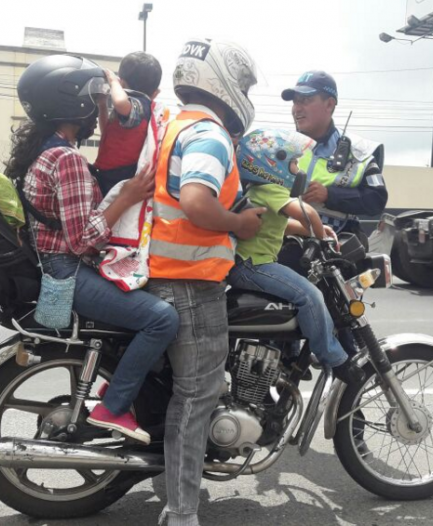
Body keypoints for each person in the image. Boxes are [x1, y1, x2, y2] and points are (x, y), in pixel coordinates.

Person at [7, 54, 179, 445]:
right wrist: (129, 195)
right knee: (162, 320)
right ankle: (113, 406)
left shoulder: (45, 151)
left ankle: (123, 387)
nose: (97, 111)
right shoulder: (66, 159)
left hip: (59, 267)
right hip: (67, 273)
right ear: (73, 105)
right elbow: (82, 239)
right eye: (91, 99)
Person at [146, 38, 264, 526]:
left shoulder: (174, 124)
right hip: (191, 282)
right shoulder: (210, 135)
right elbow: (196, 201)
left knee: (188, 393)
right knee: (197, 398)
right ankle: (181, 514)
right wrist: (240, 225)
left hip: (166, 275)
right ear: (224, 79)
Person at [231, 129, 366, 386]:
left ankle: (290, 357)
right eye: (293, 163)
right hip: (253, 265)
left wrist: (314, 231)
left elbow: (283, 224)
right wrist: (320, 235)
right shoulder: (270, 187)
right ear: (271, 165)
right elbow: (305, 213)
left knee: (292, 298)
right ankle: (335, 358)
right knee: (309, 295)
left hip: (252, 263)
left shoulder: (262, 190)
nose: (296, 169)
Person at [281, 71, 388, 243]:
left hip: (334, 249)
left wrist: (329, 195)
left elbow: (376, 200)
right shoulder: (281, 146)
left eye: (306, 100)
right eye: (295, 101)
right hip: (281, 243)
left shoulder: (359, 150)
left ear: (329, 104)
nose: (297, 108)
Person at [94, 51, 164, 196]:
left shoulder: (139, 105)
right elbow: (107, 131)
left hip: (118, 177)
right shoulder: (131, 111)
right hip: (109, 173)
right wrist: (102, 106)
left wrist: (113, 82)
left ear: (122, 83)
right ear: (156, 92)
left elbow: (120, 102)